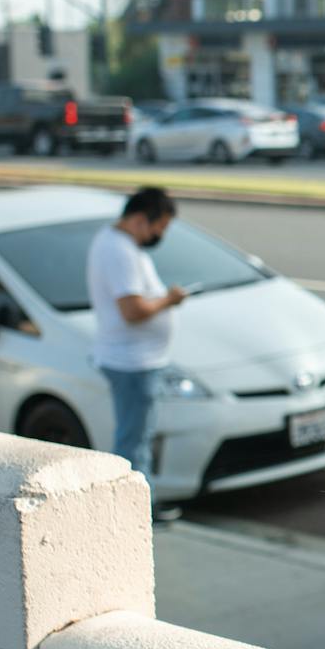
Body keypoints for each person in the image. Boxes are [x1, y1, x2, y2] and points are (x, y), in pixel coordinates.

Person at [87, 186, 188, 522]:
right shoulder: (120, 251)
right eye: (159, 228)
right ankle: (135, 513)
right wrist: (169, 300)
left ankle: (137, 507)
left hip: (135, 359)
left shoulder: (118, 244)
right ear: (141, 219)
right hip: (132, 361)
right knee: (134, 440)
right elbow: (132, 309)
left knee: (137, 436)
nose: (160, 235)